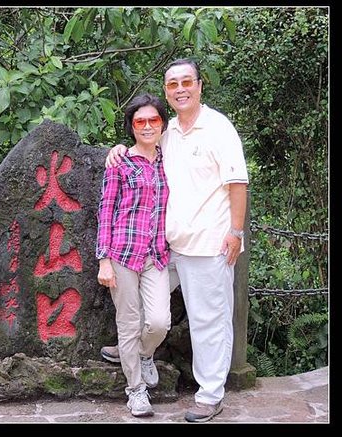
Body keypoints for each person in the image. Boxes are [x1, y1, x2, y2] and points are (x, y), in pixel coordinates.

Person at [102, 58, 249, 423]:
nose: (180, 89)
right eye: (173, 84)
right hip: (165, 248)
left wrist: (236, 231)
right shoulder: (168, 133)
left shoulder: (218, 128)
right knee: (141, 310)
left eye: (187, 82)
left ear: (200, 85)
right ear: (167, 92)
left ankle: (210, 395)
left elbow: (238, 183)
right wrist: (117, 149)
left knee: (208, 320)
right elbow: (143, 144)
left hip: (208, 245)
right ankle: (131, 350)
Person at [96, 93, 172, 418]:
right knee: (127, 324)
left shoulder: (171, 160)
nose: (146, 126)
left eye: (153, 120)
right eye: (139, 121)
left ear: (162, 124)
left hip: (157, 255)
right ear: (131, 126)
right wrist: (103, 259)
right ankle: (136, 391)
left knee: (158, 322)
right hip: (123, 255)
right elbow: (106, 210)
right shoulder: (120, 162)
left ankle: (143, 354)